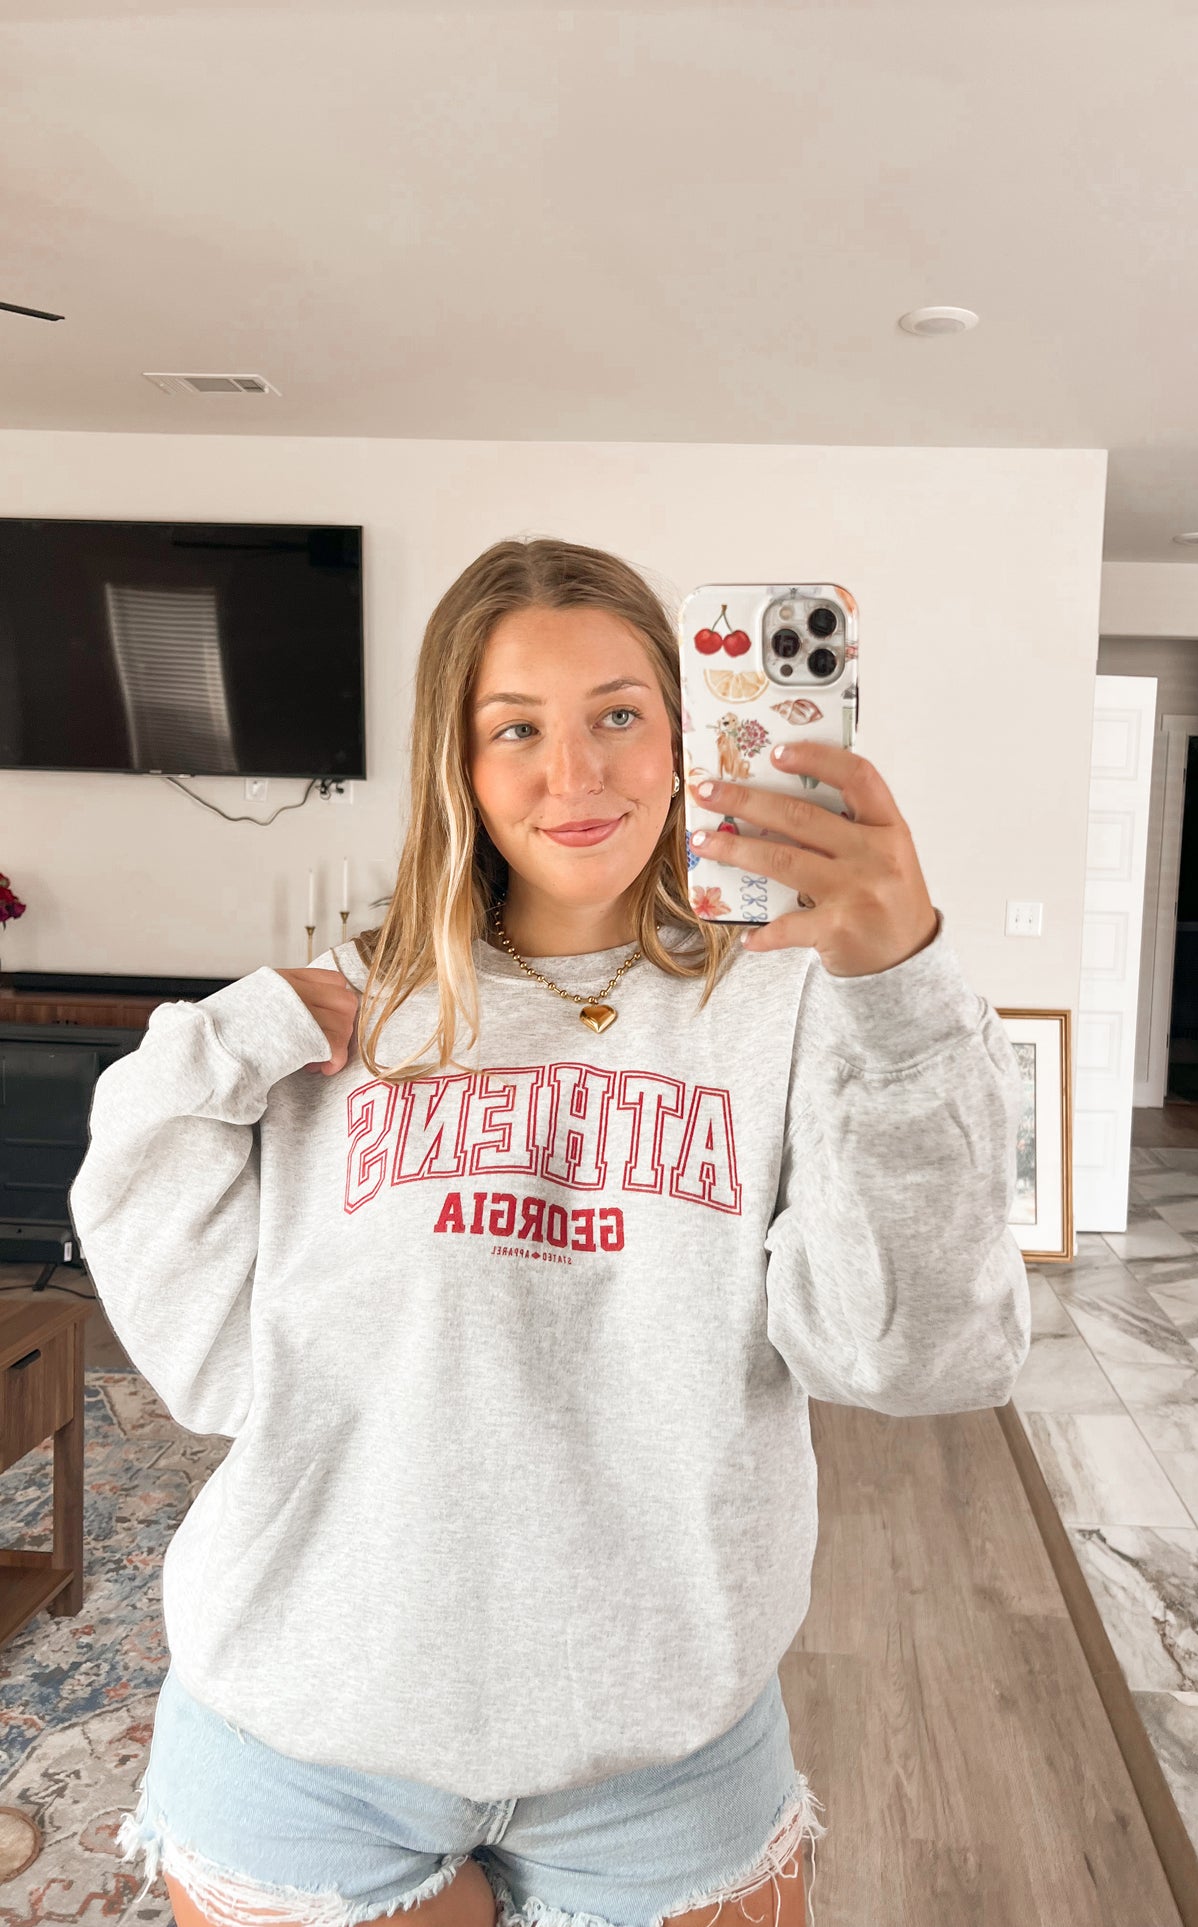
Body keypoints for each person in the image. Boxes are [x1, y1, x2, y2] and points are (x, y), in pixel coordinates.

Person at [68, 536, 1031, 1927]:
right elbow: (214, 1371)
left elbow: (918, 1360)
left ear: (684, 732)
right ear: (456, 761)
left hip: (661, 1744)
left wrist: (898, 989)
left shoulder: (805, 1003)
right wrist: (217, 1041)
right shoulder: (347, 1014)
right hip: (309, 1724)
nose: (573, 774)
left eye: (618, 716)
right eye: (514, 727)